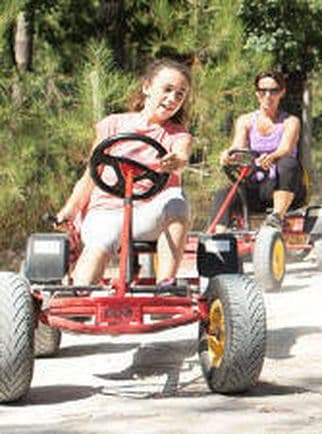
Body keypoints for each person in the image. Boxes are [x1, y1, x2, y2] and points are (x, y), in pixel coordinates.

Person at [56, 58, 194, 288]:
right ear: (147, 87)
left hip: (148, 214)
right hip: (106, 211)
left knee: (177, 200)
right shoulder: (113, 125)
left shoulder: (178, 135)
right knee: (95, 254)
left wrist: (176, 161)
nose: (172, 99)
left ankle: (166, 284)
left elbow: (181, 156)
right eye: (167, 90)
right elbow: (91, 174)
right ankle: (74, 299)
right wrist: (69, 210)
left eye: (180, 95)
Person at [211, 69, 305, 230]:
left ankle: (277, 216)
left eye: (273, 91)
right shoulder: (245, 121)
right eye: (263, 91)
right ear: (257, 93)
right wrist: (229, 155)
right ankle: (218, 238)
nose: (268, 96)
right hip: (256, 186)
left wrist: (271, 157)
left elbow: (286, 149)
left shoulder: (291, 121)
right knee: (223, 193)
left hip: (286, 186)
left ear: (281, 92)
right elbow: (238, 148)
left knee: (287, 163)